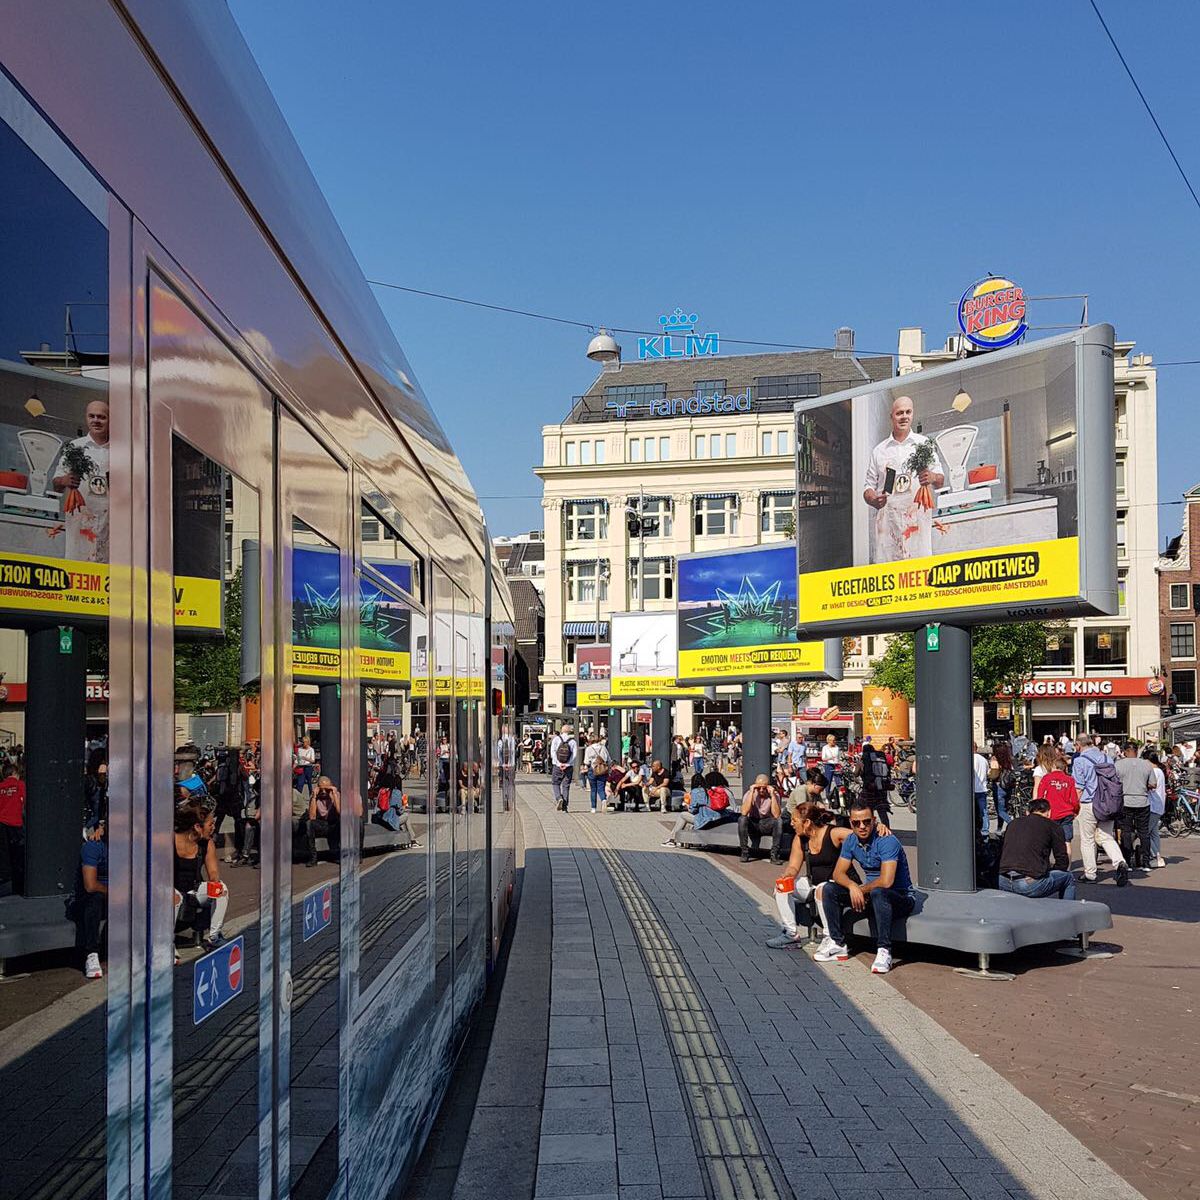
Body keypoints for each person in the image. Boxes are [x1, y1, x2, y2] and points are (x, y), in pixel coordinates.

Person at [816, 800, 915, 974]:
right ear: (850, 823)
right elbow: (838, 874)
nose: (862, 826)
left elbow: (886, 881)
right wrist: (853, 886)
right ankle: (837, 943)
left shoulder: (887, 840)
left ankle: (884, 949)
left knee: (879, 892)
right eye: (856, 823)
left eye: (867, 821)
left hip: (899, 896)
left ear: (874, 820)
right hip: (871, 893)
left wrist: (860, 890)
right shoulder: (851, 841)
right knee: (829, 889)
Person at [862, 393, 944, 563]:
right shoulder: (879, 450)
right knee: (889, 572)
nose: (904, 416)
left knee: (919, 571)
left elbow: (941, 480)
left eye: (908, 412)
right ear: (891, 416)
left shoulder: (923, 445)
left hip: (917, 521)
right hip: (888, 523)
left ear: (913, 414)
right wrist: (873, 499)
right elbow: (867, 487)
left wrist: (932, 476)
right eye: (899, 413)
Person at [52, 397, 110, 561]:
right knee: (77, 567)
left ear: (109, 419)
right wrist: (65, 480)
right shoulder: (75, 447)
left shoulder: (121, 451)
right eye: (92, 416)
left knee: (103, 570)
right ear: (86, 418)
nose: (96, 421)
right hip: (80, 521)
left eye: (102, 417)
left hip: (109, 523)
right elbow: (56, 485)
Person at [1071, 735, 1128, 886]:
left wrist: (1074, 806)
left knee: (1088, 839)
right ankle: (1120, 862)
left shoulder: (1079, 761)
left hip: (1089, 802)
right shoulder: (1107, 758)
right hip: (1108, 802)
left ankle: (1090, 874)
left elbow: (1079, 787)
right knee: (1106, 836)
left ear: (1078, 745)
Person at [173, 799, 229, 952]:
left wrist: (215, 883)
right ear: (197, 827)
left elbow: (213, 872)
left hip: (193, 889)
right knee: (173, 896)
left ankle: (214, 936)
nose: (213, 827)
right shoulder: (170, 841)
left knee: (221, 889)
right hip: (170, 890)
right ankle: (166, 944)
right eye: (210, 824)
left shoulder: (207, 844)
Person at [997, 798, 1076, 899]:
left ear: (1028, 812)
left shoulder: (1013, 823)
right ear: (1049, 812)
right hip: (1028, 883)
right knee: (1068, 878)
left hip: (1003, 880)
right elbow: (1062, 860)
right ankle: (1068, 911)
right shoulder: (1053, 826)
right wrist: (1052, 870)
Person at [1114, 742, 1156, 871]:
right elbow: (1153, 784)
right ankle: (1146, 862)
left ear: (1125, 751)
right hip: (1142, 801)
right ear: (1137, 751)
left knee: (1126, 832)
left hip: (1125, 801)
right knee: (1144, 832)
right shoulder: (1147, 765)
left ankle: (1127, 861)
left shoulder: (1118, 765)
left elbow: (1114, 783)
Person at [662, 772, 732, 846]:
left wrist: (686, 806)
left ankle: (672, 839)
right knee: (689, 821)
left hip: (707, 820)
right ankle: (679, 839)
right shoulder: (710, 790)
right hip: (718, 817)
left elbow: (692, 810)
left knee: (682, 815)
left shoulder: (696, 791)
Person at [78, 820, 109, 979]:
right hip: (100, 894)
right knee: (94, 899)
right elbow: (90, 885)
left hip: (123, 893)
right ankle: (92, 954)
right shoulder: (93, 846)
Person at [1035, 754, 1080, 845]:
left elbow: (1040, 796)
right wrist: (1076, 811)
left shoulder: (1046, 778)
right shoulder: (1069, 780)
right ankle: (1066, 859)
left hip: (1051, 813)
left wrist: (1040, 810)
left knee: (1049, 841)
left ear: (1054, 766)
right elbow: (1074, 800)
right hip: (1067, 813)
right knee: (1066, 841)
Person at [738, 774, 784, 864]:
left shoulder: (775, 795)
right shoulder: (749, 794)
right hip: (753, 822)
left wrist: (773, 796)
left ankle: (774, 854)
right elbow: (744, 812)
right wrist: (751, 792)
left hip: (766, 822)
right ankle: (744, 852)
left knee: (779, 821)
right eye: (759, 788)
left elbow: (777, 815)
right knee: (742, 819)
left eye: (764, 788)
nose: (761, 790)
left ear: (768, 787)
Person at [305, 776, 341, 866]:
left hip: (334, 823)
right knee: (309, 824)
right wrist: (314, 797)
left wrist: (334, 795)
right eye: (322, 789)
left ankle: (338, 854)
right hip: (323, 824)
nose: (324, 792)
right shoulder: (315, 797)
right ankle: (313, 857)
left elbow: (340, 812)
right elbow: (312, 817)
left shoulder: (337, 795)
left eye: (327, 789)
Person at [1144, 749, 1167, 869]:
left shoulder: (1154, 771)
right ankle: (1157, 855)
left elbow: (1150, 786)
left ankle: (1156, 857)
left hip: (1153, 806)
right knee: (1153, 832)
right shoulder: (1159, 771)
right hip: (1159, 806)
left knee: (1144, 831)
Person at [550, 724, 578, 811]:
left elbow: (553, 752)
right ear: (570, 731)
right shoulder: (573, 741)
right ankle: (565, 806)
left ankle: (559, 798)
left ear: (561, 730)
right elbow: (574, 755)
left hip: (557, 766)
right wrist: (567, 764)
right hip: (568, 767)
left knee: (555, 783)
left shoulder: (556, 739)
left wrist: (558, 763)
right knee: (566, 785)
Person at [583, 732, 611, 814]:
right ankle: (603, 800)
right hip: (602, 770)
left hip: (593, 769)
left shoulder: (589, 749)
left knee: (593, 789)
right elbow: (608, 759)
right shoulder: (603, 748)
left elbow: (586, 761)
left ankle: (593, 808)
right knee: (601, 787)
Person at [991, 738, 1014, 833]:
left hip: (998, 786)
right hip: (1008, 786)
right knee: (1003, 808)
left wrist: (989, 774)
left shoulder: (995, 759)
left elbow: (994, 774)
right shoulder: (1008, 759)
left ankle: (1014, 824)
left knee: (1000, 811)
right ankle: (999, 829)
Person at [972, 742, 990, 835]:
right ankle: (985, 831)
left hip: (972, 789)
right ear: (977, 748)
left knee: (972, 811)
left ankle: (975, 829)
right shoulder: (984, 760)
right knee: (983, 811)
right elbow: (988, 772)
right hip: (982, 788)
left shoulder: (969, 759)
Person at [820, 734, 841, 800]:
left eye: (835, 740)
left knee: (838, 781)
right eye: (833, 740)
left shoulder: (837, 747)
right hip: (828, 765)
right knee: (828, 781)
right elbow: (823, 758)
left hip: (836, 765)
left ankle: (839, 796)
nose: (834, 741)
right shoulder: (825, 748)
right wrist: (831, 757)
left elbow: (839, 757)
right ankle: (827, 795)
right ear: (828, 741)